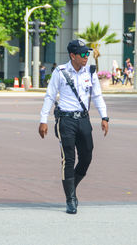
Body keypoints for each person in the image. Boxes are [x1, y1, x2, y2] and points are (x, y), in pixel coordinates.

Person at [38, 39, 109, 215]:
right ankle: (70, 199)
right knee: (68, 160)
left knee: (87, 156)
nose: (86, 57)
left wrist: (104, 117)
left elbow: (97, 96)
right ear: (72, 55)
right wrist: (43, 119)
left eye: (88, 54)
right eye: (83, 54)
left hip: (83, 120)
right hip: (66, 120)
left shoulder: (90, 72)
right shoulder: (60, 72)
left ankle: (71, 187)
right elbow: (50, 95)